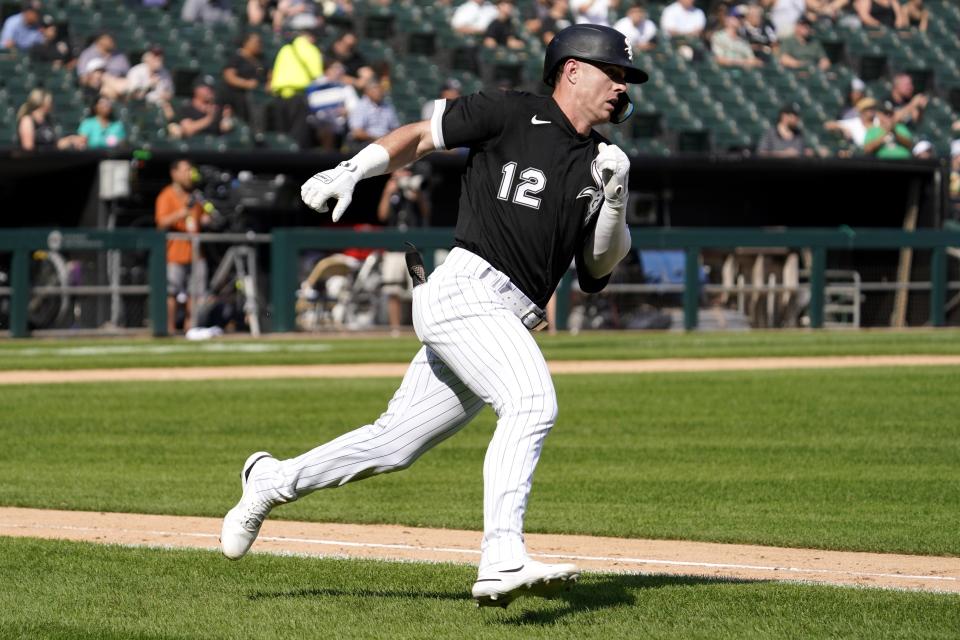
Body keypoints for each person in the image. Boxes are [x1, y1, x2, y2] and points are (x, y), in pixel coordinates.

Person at [221, 23, 643, 608]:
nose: (623, 88)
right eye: (615, 73)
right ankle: (501, 555)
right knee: (531, 402)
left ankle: (270, 481)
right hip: (465, 289)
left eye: (626, 79)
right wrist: (353, 169)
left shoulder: (603, 161)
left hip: (508, 315)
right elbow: (420, 137)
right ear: (572, 69)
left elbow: (597, 273)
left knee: (393, 444)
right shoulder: (511, 111)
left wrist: (616, 202)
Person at [155, 159, 211, 335]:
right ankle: (169, 329)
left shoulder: (196, 196)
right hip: (174, 253)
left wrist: (207, 219)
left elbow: (204, 218)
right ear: (175, 173)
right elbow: (160, 222)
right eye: (185, 170)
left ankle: (191, 328)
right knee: (170, 292)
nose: (189, 174)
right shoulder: (166, 195)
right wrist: (181, 213)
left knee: (195, 293)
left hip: (195, 253)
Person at [377, 165, 431, 335]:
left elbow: (427, 213)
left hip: (414, 246)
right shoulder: (393, 192)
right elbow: (382, 216)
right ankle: (395, 329)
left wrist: (419, 196)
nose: (404, 176)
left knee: (418, 290)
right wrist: (387, 192)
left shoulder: (416, 190)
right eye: (401, 172)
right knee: (393, 289)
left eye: (407, 172)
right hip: (393, 247)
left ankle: (419, 328)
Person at [270, 13, 322, 142]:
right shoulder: (312, 50)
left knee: (281, 135)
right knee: (297, 134)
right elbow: (317, 76)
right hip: (298, 96)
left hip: (279, 96)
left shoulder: (285, 48)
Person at [305, 60, 358, 150]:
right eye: (335, 68)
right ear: (327, 70)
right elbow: (311, 105)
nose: (338, 71)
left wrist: (346, 110)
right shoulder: (315, 85)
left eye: (340, 69)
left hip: (342, 124)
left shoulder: (345, 87)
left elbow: (354, 106)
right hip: (317, 123)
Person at [221, 32, 269, 131]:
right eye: (255, 42)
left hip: (259, 95)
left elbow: (270, 73)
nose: (258, 44)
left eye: (259, 42)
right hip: (240, 97)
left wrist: (270, 83)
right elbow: (229, 76)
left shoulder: (262, 58)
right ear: (246, 43)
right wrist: (246, 83)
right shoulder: (237, 57)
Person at [16, 88, 86, 151]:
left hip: (50, 160)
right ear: (42, 103)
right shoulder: (27, 120)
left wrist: (71, 139)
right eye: (50, 101)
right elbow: (28, 149)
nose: (52, 104)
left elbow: (55, 145)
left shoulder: (47, 120)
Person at [346, 79, 400, 151]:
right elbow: (357, 132)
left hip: (386, 140)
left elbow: (395, 128)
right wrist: (378, 138)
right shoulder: (360, 106)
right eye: (375, 89)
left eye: (380, 89)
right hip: (366, 142)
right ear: (367, 92)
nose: (379, 92)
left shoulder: (387, 105)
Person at [76, 33, 130, 99]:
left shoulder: (120, 56)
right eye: (109, 39)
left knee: (109, 91)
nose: (112, 41)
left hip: (114, 87)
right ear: (100, 40)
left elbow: (127, 75)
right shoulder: (87, 54)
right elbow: (83, 79)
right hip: (96, 87)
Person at [126, 46, 175, 120]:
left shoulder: (165, 73)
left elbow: (170, 92)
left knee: (169, 112)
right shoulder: (136, 71)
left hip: (158, 105)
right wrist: (149, 87)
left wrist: (167, 95)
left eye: (159, 56)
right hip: (140, 106)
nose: (158, 59)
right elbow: (135, 96)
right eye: (154, 56)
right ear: (147, 58)